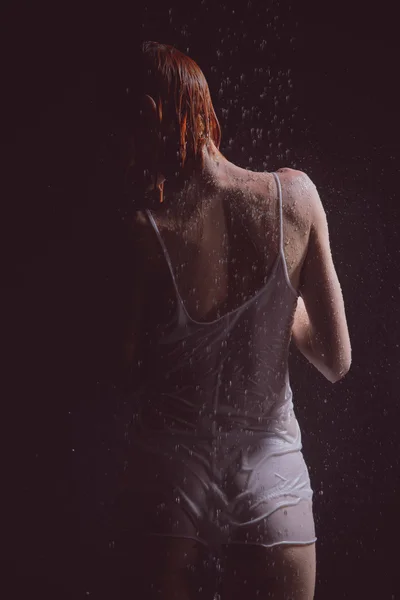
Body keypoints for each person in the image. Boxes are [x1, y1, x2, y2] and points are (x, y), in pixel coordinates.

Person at [111, 41, 351, 600]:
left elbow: (123, 374)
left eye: (119, 135)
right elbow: (336, 361)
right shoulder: (296, 199)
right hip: (274, 478)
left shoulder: (146, 233)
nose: (119, 152)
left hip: (168, 476)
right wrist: (277, 299)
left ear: (149, 114)